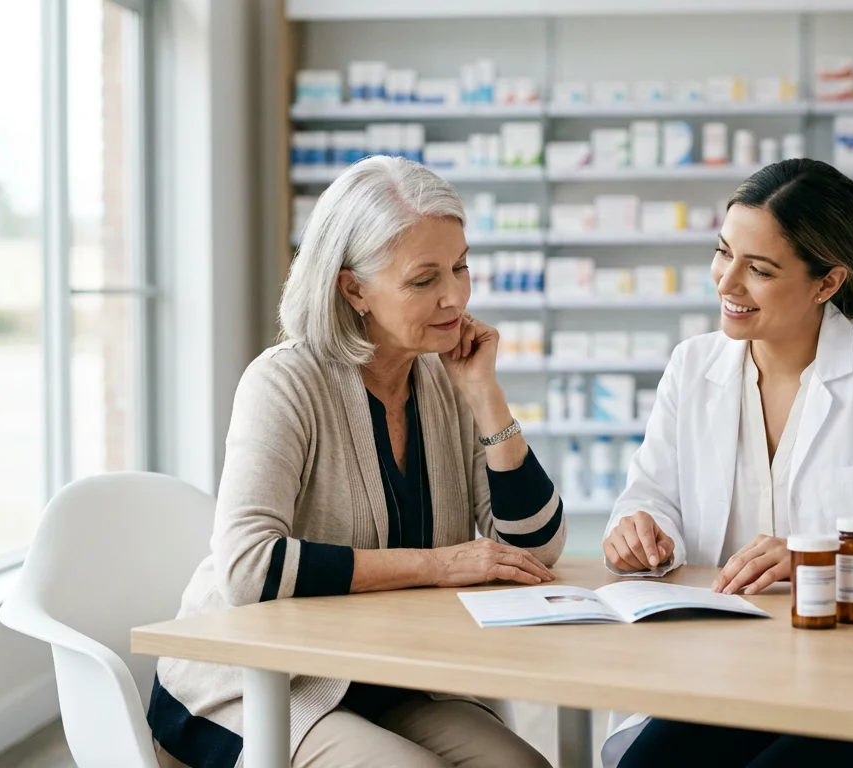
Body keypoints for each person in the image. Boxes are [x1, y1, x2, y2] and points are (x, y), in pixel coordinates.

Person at [150, 156, 563, 768]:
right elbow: (247, 568)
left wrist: (485, 395)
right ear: (353, 288)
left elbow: (533, 548)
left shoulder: (444, 379)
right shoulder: (284, 382)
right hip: (259, 684)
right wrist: (437, 565)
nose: (454, 295)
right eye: (423, 280)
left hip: (386, 675)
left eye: (460, 266)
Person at [599, 158, 853, 768]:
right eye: (723, 253)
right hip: (726, 672)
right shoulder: (692, 366)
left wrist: (816, 557)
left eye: (759, 269)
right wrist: (640, 528)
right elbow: (652, 496)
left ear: (827, 282)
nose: (727, 283)